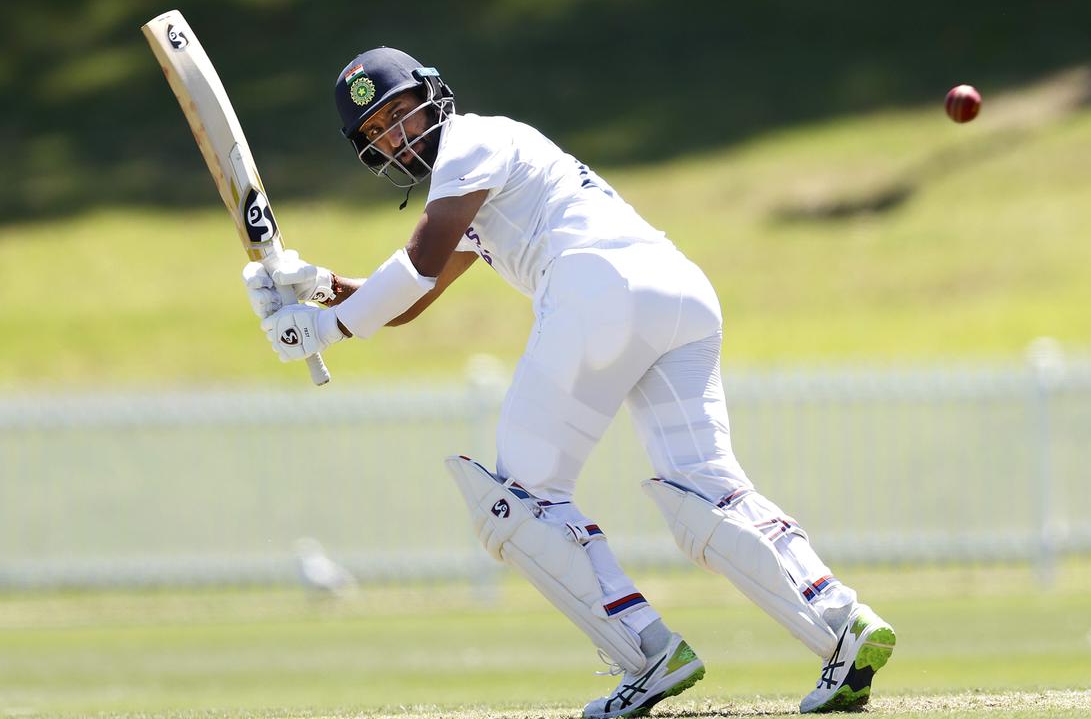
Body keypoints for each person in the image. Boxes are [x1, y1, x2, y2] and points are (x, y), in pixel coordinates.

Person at [244, 47, 895, 717]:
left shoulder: (473, 141)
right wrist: (316, 288)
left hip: (597, 285)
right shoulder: (483, 172)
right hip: (677, 291)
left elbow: (416, 265)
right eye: (377, 132)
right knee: (704, 487)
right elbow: (412, 299)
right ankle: (844, 627)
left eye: (400, 114)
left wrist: (325, 332)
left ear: (432, 96)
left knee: (519, 498)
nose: (396, 136)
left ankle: (647, 652)